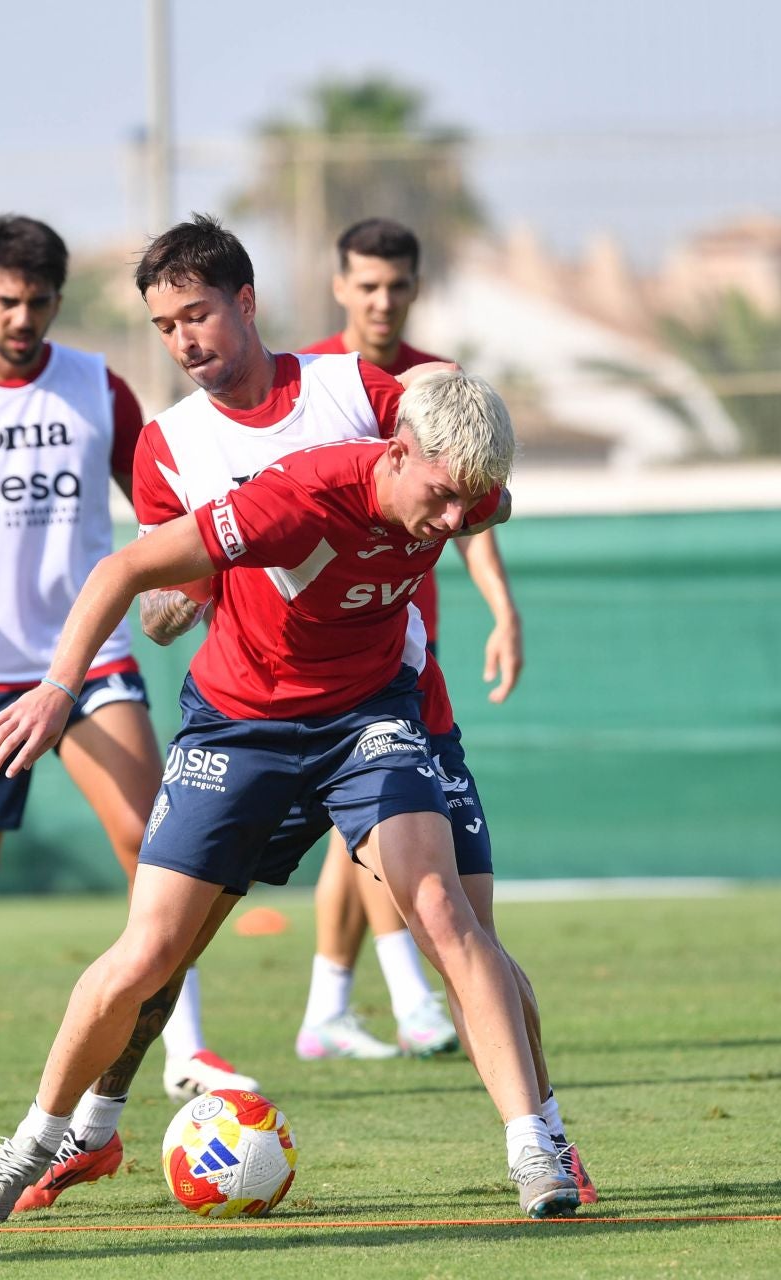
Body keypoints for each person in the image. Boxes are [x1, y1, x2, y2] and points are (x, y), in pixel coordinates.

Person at [0, 217, 579, 1224]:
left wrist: (488, 564)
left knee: (455, 921)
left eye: (197, 313)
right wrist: (73, 677)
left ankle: (541, 1147)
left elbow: (464, 457)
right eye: (165, 324)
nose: (185, 338)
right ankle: (52, 1132)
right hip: (242, 721)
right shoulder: (211, 465)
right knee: (155, 948)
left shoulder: (368, 405)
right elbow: (140, 578)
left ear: (246, 302)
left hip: (377, 710)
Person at [0, 215, 255, 1118]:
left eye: (39, 303)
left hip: (92, 658)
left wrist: (196, 582)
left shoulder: (98, 390)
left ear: (59, 302)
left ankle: (188, 1049)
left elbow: (164, 500)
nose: (22, 318)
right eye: (7, 301)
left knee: (155, 847)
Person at [294, 217, 524, 1062]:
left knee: (365, 828)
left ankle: (330, 1007)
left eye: (396, 285)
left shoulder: (441, 384)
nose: (381, 300)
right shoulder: (315, 383)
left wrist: (502, 608)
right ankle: (402, 994)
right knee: (378, 818)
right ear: (339, 286)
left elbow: (475, 511)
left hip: (405, 636)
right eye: (366, 284)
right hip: (326, 639)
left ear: (415, 289)